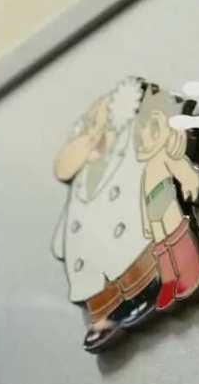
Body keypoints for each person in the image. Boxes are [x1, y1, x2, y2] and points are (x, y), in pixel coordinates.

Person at [52, 77, 160, 352]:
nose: (94, 134)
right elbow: (71, 210)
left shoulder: (127, 147)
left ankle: (144, 289)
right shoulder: (82, 176)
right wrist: (60, 243)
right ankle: (104, 317)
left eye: (99, 126)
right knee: (96, 284)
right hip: (90, 245)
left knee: (130, 261)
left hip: (124, 226)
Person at [134, 86, 199, 310]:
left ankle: (190, 272)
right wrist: (146, 223)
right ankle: (169, 281)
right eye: (141, 133)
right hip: (153, 209)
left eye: (153, 128)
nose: (147, 138)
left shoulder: (166, 156)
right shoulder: (147, 169)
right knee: (161, 246)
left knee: (177, 235)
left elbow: (183, 170)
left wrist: (191, 182)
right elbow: (144, 200)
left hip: (168, 200)